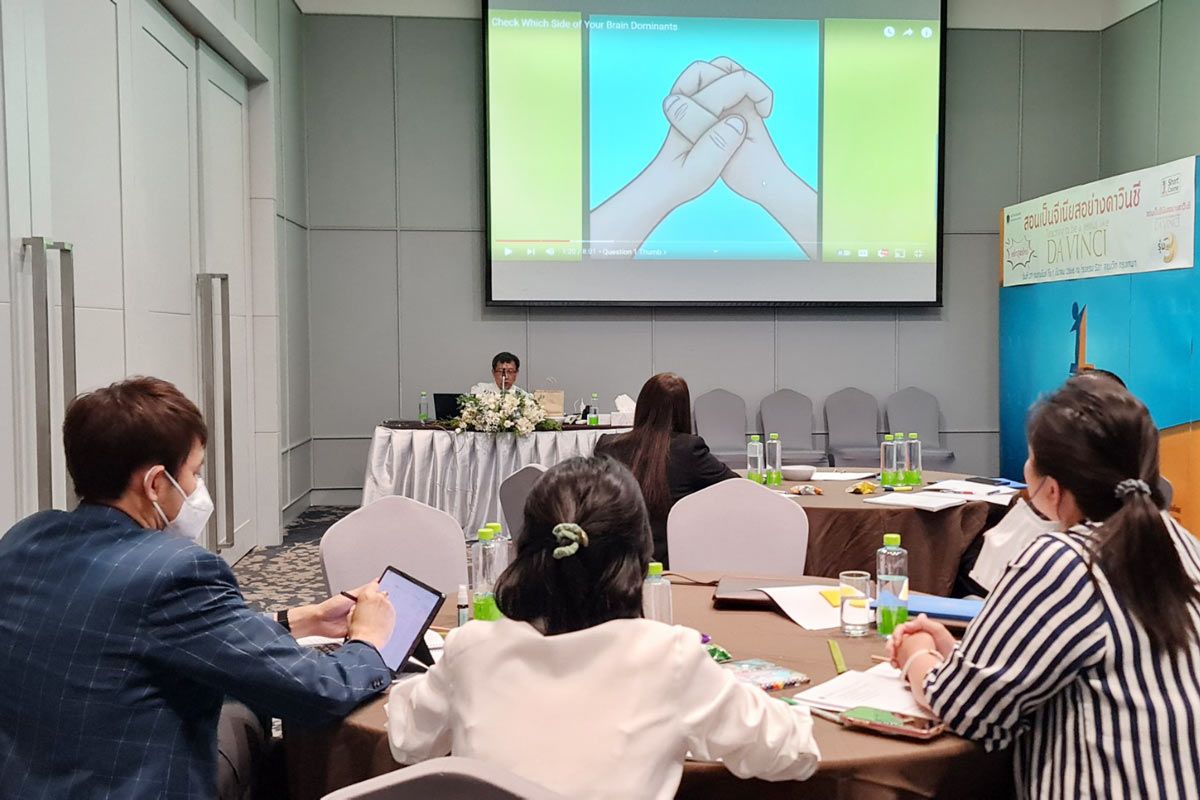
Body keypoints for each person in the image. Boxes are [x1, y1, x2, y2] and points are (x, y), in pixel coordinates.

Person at [0, 377, 398, 799]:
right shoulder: (174, 570)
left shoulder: (26, 538)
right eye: (194, 472)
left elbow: (133, 633)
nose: (197, 488)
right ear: (156, 484)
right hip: (130, 785)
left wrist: (299, 620)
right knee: (252, 716)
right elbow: (316, 693)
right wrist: (367, 642)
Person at [386, 456, 819, 799]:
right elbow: (791, 752)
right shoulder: (669, 657)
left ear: (525, 550)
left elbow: (408, 742)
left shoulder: (471, 648)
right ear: (640, 554)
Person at [888, 376, 1200, 798]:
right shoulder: (1184, 545)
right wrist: (961, 655)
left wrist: (916, 653)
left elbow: (965, 708)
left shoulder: (1062, 560)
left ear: (1052, 490)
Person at [594, 373, 737, 565]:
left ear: (642, 406)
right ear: (683, 409)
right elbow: (736, 487)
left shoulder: (607, 445)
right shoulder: (688, 449)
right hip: (674, 563)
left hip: (616, 563)